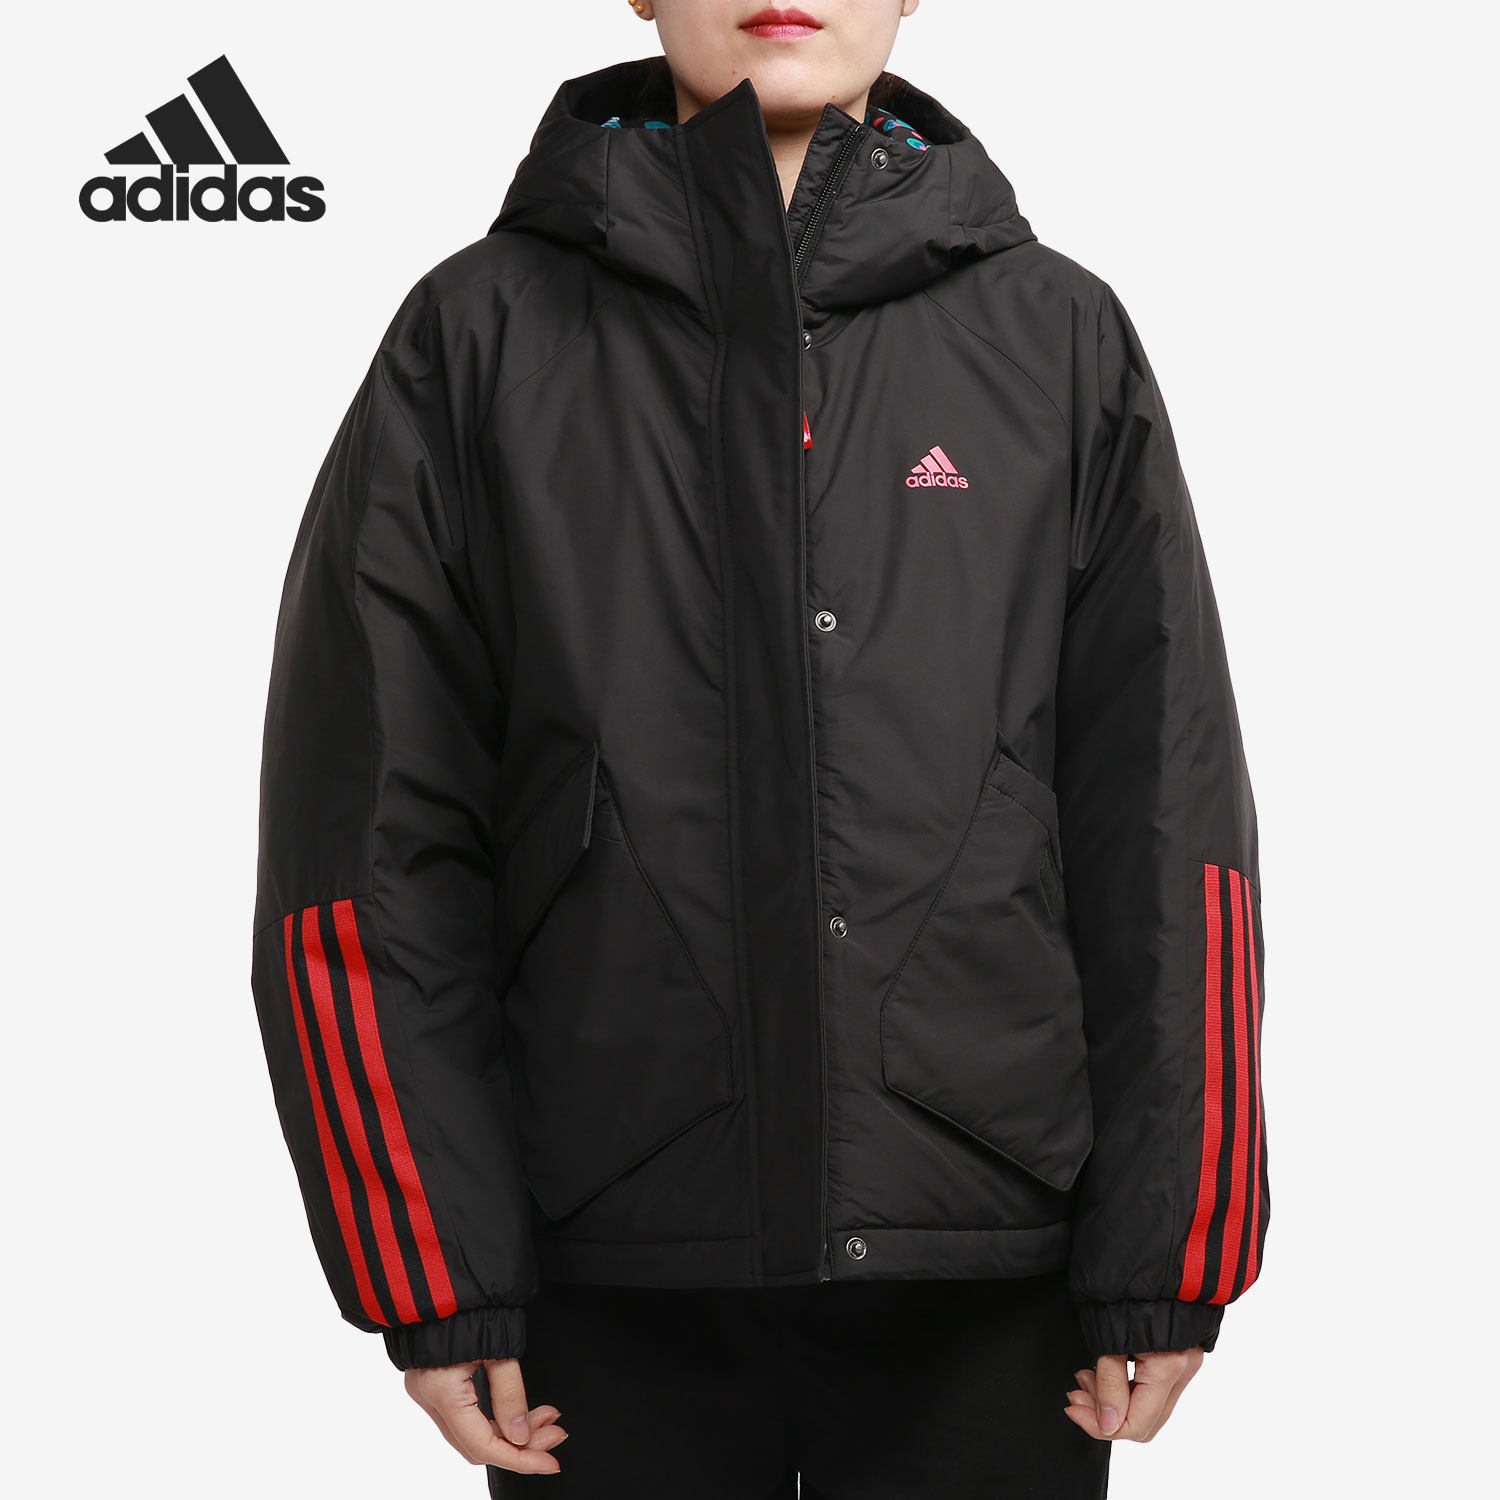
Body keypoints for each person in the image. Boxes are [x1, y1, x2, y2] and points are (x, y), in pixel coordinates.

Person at [248, 3, 1270, 1495]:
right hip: (605, 1252)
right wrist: (431, 1268)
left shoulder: (1054, 335)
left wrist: (1172, 1246)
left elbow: (1167, 819)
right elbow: (366, 837)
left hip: (988, 1261)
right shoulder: (476, 336)